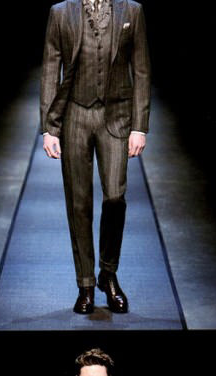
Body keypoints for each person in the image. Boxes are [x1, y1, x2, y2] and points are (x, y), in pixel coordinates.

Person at [40, 0, 151, 314]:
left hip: (116, 117)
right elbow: (50, 69)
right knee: (79, 202)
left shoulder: (131, 11)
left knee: (115, 196)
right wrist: (49, 128)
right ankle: (85, 284)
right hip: (75, 114)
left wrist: (140, 126)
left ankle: (108, 273)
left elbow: (141, 71)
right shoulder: (61, 12)